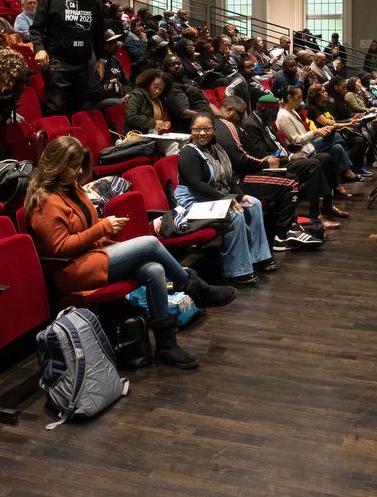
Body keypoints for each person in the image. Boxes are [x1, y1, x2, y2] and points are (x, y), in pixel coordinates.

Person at [26, 135, 234, 369]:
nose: (77, 172)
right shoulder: (44, 203)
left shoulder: (72, 188)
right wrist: (102, 228)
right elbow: (60, 248)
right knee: (150, 244)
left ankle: (167, 347)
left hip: (94, 256)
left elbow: (85, 225)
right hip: (73, 270)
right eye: (73, 167)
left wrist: (102, 230)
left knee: (154, 269)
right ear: (56, 165)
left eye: (79, 166)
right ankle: (194, 288)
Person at [175, 113, 275, 285]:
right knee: (233, 213)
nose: (202, 133)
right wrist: (226, 200)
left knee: (254, 204)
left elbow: (229, 180)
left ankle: (258, 257)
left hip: (214, 197)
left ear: (213, 129)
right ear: (191, 130)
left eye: (206, 129)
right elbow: (197, 185)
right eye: (197, 129)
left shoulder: (216, 150)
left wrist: (240, 195)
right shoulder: (188, 153)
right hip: (193, 203)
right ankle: (235, 270)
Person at [212, 97, 319, 249]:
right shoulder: (227, 126)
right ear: (229, 110)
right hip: (236, 181)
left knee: (288, 178)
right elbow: (241, 159)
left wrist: (264, 162)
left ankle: (291, 226)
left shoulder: (220, 125)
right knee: (290, 183)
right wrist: (265, 163)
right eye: (241, 115)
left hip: (238, 176)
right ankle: (283, 236)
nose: (242, 119)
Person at [238, 92, 343, 229]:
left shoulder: (265, 121)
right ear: (264, 109)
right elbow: (262, 154)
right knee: (313, 164)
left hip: (285, 158)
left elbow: (278, 146)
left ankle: (327, 205)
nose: (276, 116)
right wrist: (289, 157)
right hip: (272, 166)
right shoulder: (250, 125)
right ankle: (314, 214)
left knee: (325, 158)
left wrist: (290, 154)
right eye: (274, 112)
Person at [31, 0, 107, 118]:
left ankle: (73, 142)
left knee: (77, 110)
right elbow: (37, 28)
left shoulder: (95, 2)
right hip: (57, 62)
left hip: (82, 63)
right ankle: (55, 142)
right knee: (56, 109)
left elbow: (100, 33)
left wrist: (101, 59)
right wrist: (40, 49)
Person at [276, 84, 359, 188]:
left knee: (337, 148)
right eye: (299, 97)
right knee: (336, 136)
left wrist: (320, 131)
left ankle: (338, 184)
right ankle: (346, 171)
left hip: (308, 144)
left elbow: (303, 133)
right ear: (289, 98)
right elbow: (295, 140)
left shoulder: (292, 112)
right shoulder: (284, 116)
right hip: (302, 150)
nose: (302, 100)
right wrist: (316, 132)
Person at [124, 68, 175, 135]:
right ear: (148, 83)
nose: (157, 91)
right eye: (155, 87)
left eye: (161, 89)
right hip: (137, 136)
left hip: (154, 136)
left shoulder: (161, 99)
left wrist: (163, 124)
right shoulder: (137, 94)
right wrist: (154, 123)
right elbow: (130, 117)